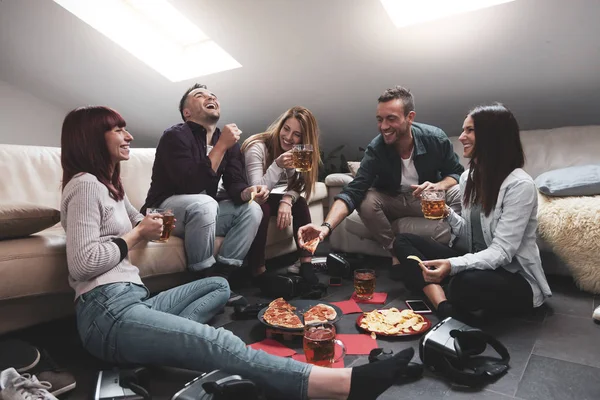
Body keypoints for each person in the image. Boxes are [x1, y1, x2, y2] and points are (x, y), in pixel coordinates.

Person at [60, 105, 418, 400]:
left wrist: (151, 220)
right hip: (105, 314)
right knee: (218, 340)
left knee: (217, 284)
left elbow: (145, 218)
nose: (129, 135)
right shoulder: (85, 185)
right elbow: (82, 264)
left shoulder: (111, 189)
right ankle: (335, 387)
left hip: (134, 300)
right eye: (119, 130)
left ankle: (167, 341)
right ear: (93, 138)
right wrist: (138, 233)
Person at [390, 103, 552, 319]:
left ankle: (433, 288)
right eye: (463, 130)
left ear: (492, 136)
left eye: (470, 130)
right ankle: (445, 306)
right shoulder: (468, 178)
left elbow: (502, 252)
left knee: (464, 283)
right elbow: (471, 234)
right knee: (403, 241)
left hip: (511, 274)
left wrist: (452, 265)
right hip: (475, 260)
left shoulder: (520, 185)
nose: (461, 137)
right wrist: (445, 211)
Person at [298, 86, 464, 273]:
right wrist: (325, 228)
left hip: (424, 200)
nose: (384, 126)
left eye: (391, 119)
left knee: (458, 191)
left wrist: (438, 186)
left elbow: (457, 173)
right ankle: (396, 252)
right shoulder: (376, 149)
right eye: (380, 119)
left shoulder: (435, 138)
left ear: (410, 117)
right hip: (392, 200)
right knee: (366, 200)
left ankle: (460, 248)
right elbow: (353, 191)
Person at [142, 84, 268, 305]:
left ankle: (220, 279)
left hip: (203, 214)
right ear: (186, 112)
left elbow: (234, 182)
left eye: (213, 95)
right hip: (165, 213)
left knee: (251, 210)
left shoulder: (227, 141)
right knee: (205, 204)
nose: (210, 97)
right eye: (199, 96)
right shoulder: (175, 135)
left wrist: (248, 192)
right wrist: (221, 146)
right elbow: (189, 184)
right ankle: (201, 281)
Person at [241, 106, 321, 288]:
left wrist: (287, 200)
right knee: (263, 207)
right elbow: (257, 192)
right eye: (286, 129)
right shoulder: (257, 147)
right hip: (246, 198)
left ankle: (306, 263)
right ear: (280, 126)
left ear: (304, 139)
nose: (288, 137)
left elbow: (300, 184)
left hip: (267, 195)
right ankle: (258, 270)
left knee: (299, 203)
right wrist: (277, 165)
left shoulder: (300, 152)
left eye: (297, 134)